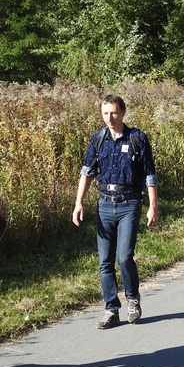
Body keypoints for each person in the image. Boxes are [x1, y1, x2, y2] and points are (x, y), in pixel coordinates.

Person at [72, 94, 158, 329]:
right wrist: (78, 203)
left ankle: (132, 299)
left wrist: (152, 206)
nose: (110, 118)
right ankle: (111, 308)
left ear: (123, 112)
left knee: (124, 257)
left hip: (129, 203)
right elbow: (86, 171)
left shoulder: (137, 138)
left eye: (114, 113)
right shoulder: (98, 139)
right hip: (104, 204)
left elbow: (150, 174)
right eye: (105, 113)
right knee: (104, 261)